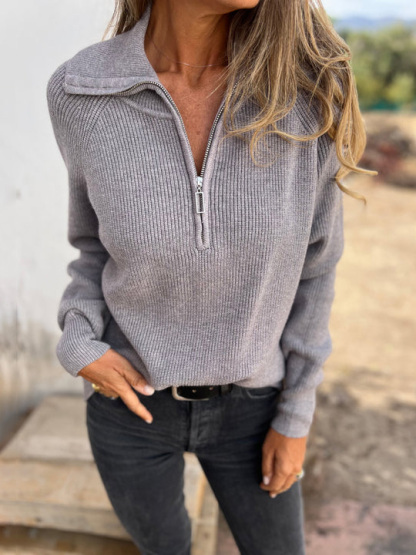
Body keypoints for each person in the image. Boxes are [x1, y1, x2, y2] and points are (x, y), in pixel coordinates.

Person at [46, 0, 374, 553]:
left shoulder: (306, 94)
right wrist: (78, 340)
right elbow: (94, 247)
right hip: (131, 404)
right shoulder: (82, 92)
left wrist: (296, 415)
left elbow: (315, 271)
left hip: (255, 404)